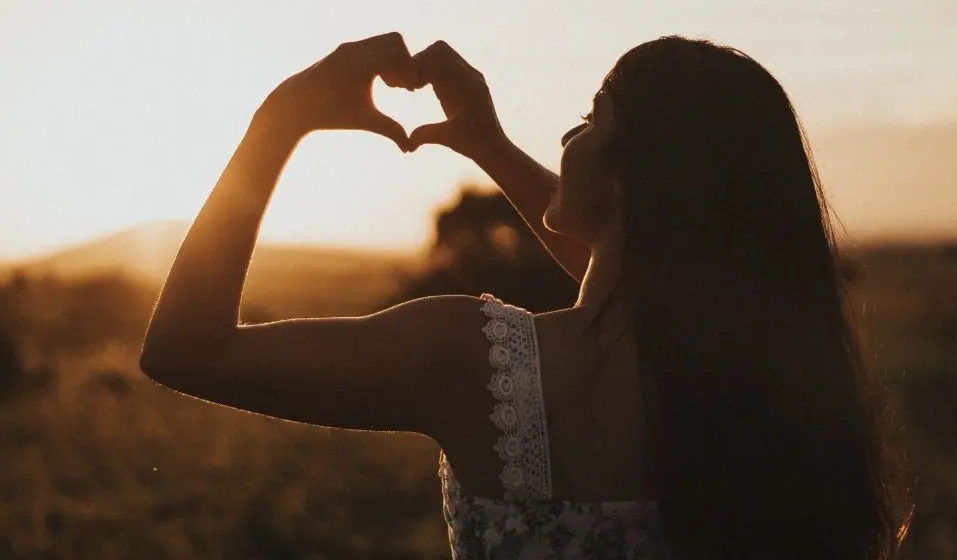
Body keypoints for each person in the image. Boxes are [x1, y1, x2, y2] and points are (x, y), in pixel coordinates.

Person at [140, 32, 910, 559]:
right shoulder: (767, 391)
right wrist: (489, 143)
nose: (566, 139)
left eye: (587, 120)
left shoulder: (476, 366)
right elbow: (640, 275)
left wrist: (283, 116)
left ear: (628, 176)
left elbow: (186, 348)